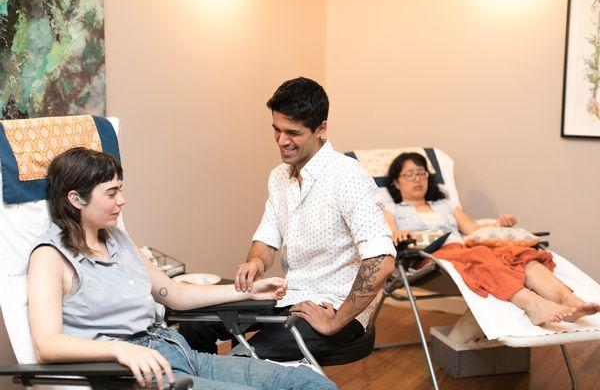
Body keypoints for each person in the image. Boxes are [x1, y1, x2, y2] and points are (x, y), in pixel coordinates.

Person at [28, 147, 337, 390]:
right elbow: (47, 345)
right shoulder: (50, 257)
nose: (122, 201)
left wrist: (247, 290)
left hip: (177, 351)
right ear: (76, 199)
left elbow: (173, 293)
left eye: (120, 189)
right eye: (111, 193)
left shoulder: (118, 240)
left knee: (307, 382)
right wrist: (119, 352)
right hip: (135, 373)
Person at [180, 77, 396, 361]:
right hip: (288, 295)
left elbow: (382, 260)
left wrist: (334, 321)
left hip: (334, 309)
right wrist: (256, 262)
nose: (282, 141)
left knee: (240, 362)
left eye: (293, 132)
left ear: (321, 129)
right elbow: (266, 239)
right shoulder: (279, 177)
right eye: (276, 129)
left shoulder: (348, 177)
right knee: (193, 328)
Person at [383, 152, 600, 326]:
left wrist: (499, 224)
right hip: (429, 256)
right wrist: (399, 234)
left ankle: (568, 300)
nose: (417, 179)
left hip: (462, 247)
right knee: (481, 255)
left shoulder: (445, 205)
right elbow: (392, 234)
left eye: (421, 173)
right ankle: (533, 305)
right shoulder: (391, 210)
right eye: (409, 174)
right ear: (396, 182)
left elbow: (473, 228)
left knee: (521, 254)